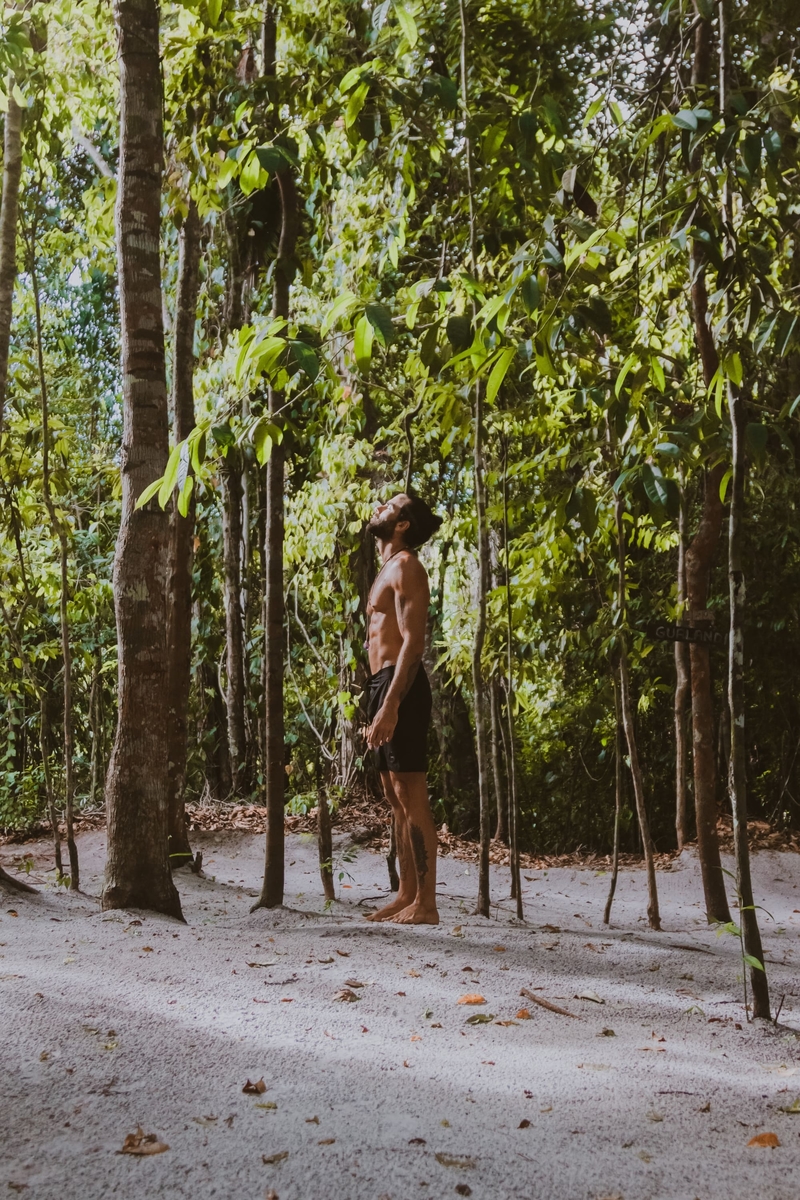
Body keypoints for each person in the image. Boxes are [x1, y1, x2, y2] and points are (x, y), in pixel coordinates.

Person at [363, 492, 442, 925]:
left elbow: (414, 641)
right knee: (395, 796)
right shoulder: (388, 567)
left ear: (402, 524)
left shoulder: (407, 566)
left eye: (389, 506)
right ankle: (406, 893)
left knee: (411, 792)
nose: (379, 507)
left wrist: (392, 703)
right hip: (381, 684)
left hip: (401, 685)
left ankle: (427, 904)